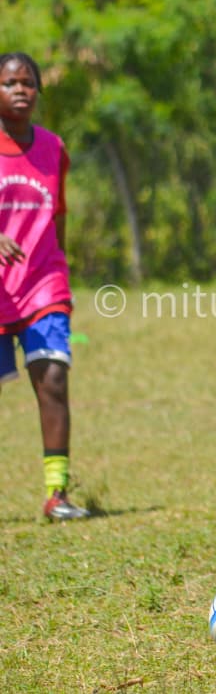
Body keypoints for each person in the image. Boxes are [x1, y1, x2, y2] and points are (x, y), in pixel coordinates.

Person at [0, 53, 89, 521]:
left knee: (52, 377)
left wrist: (61, 269)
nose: (20, 90)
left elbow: (59, 216)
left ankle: (57, 494)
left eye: (28, 82)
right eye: (9, 82)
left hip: (43, 283)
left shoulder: (53, 147)